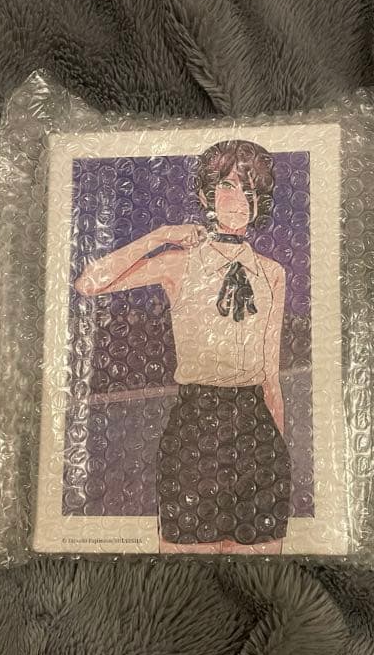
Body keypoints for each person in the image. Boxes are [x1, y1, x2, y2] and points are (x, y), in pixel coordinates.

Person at [74, 140, 290, 554]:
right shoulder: (180, 262)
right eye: (227, 186)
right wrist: (159, 236)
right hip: (196, 425)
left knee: (261, 570)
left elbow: (270, 373)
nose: (239, 199)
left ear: (259, 203)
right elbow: (88, 283)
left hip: (258, 431)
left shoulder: (272, 273)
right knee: (187, 566)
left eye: (250, 190)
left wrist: (278, 449)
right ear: (207, 196)